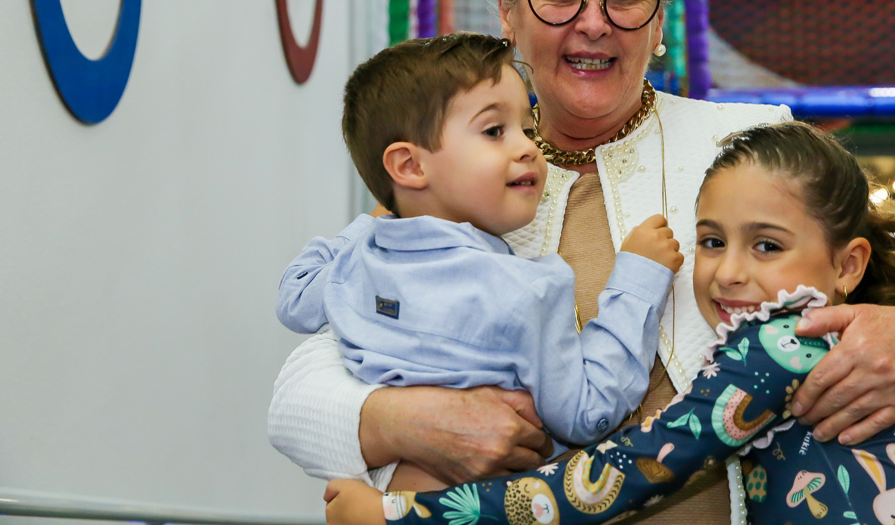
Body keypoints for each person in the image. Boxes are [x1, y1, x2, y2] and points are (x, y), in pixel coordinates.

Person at [268, 0, 895, 525]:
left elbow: (890, 303)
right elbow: (298, 394)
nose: (593, 22)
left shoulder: (749, 141)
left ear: (659, 16)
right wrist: (403, 421)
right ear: (508, 11)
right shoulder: (457, 182)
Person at [321, 122, 895, 525]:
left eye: (768, 246)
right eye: (712, 241)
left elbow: (624, 475)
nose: (729, 272)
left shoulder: (778, 349)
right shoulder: (830, 344)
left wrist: (400, 522)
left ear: (848, 265)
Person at [276, 33, 685, 489]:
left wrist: (379, 220)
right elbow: (587, 413)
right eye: (494, 131)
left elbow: (295, 297)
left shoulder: (354, 266)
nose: (528, 148)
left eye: (528, 130)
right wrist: (638, 279)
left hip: (386, 500)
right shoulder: (523, 291)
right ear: (410, 167)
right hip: (481, 511)